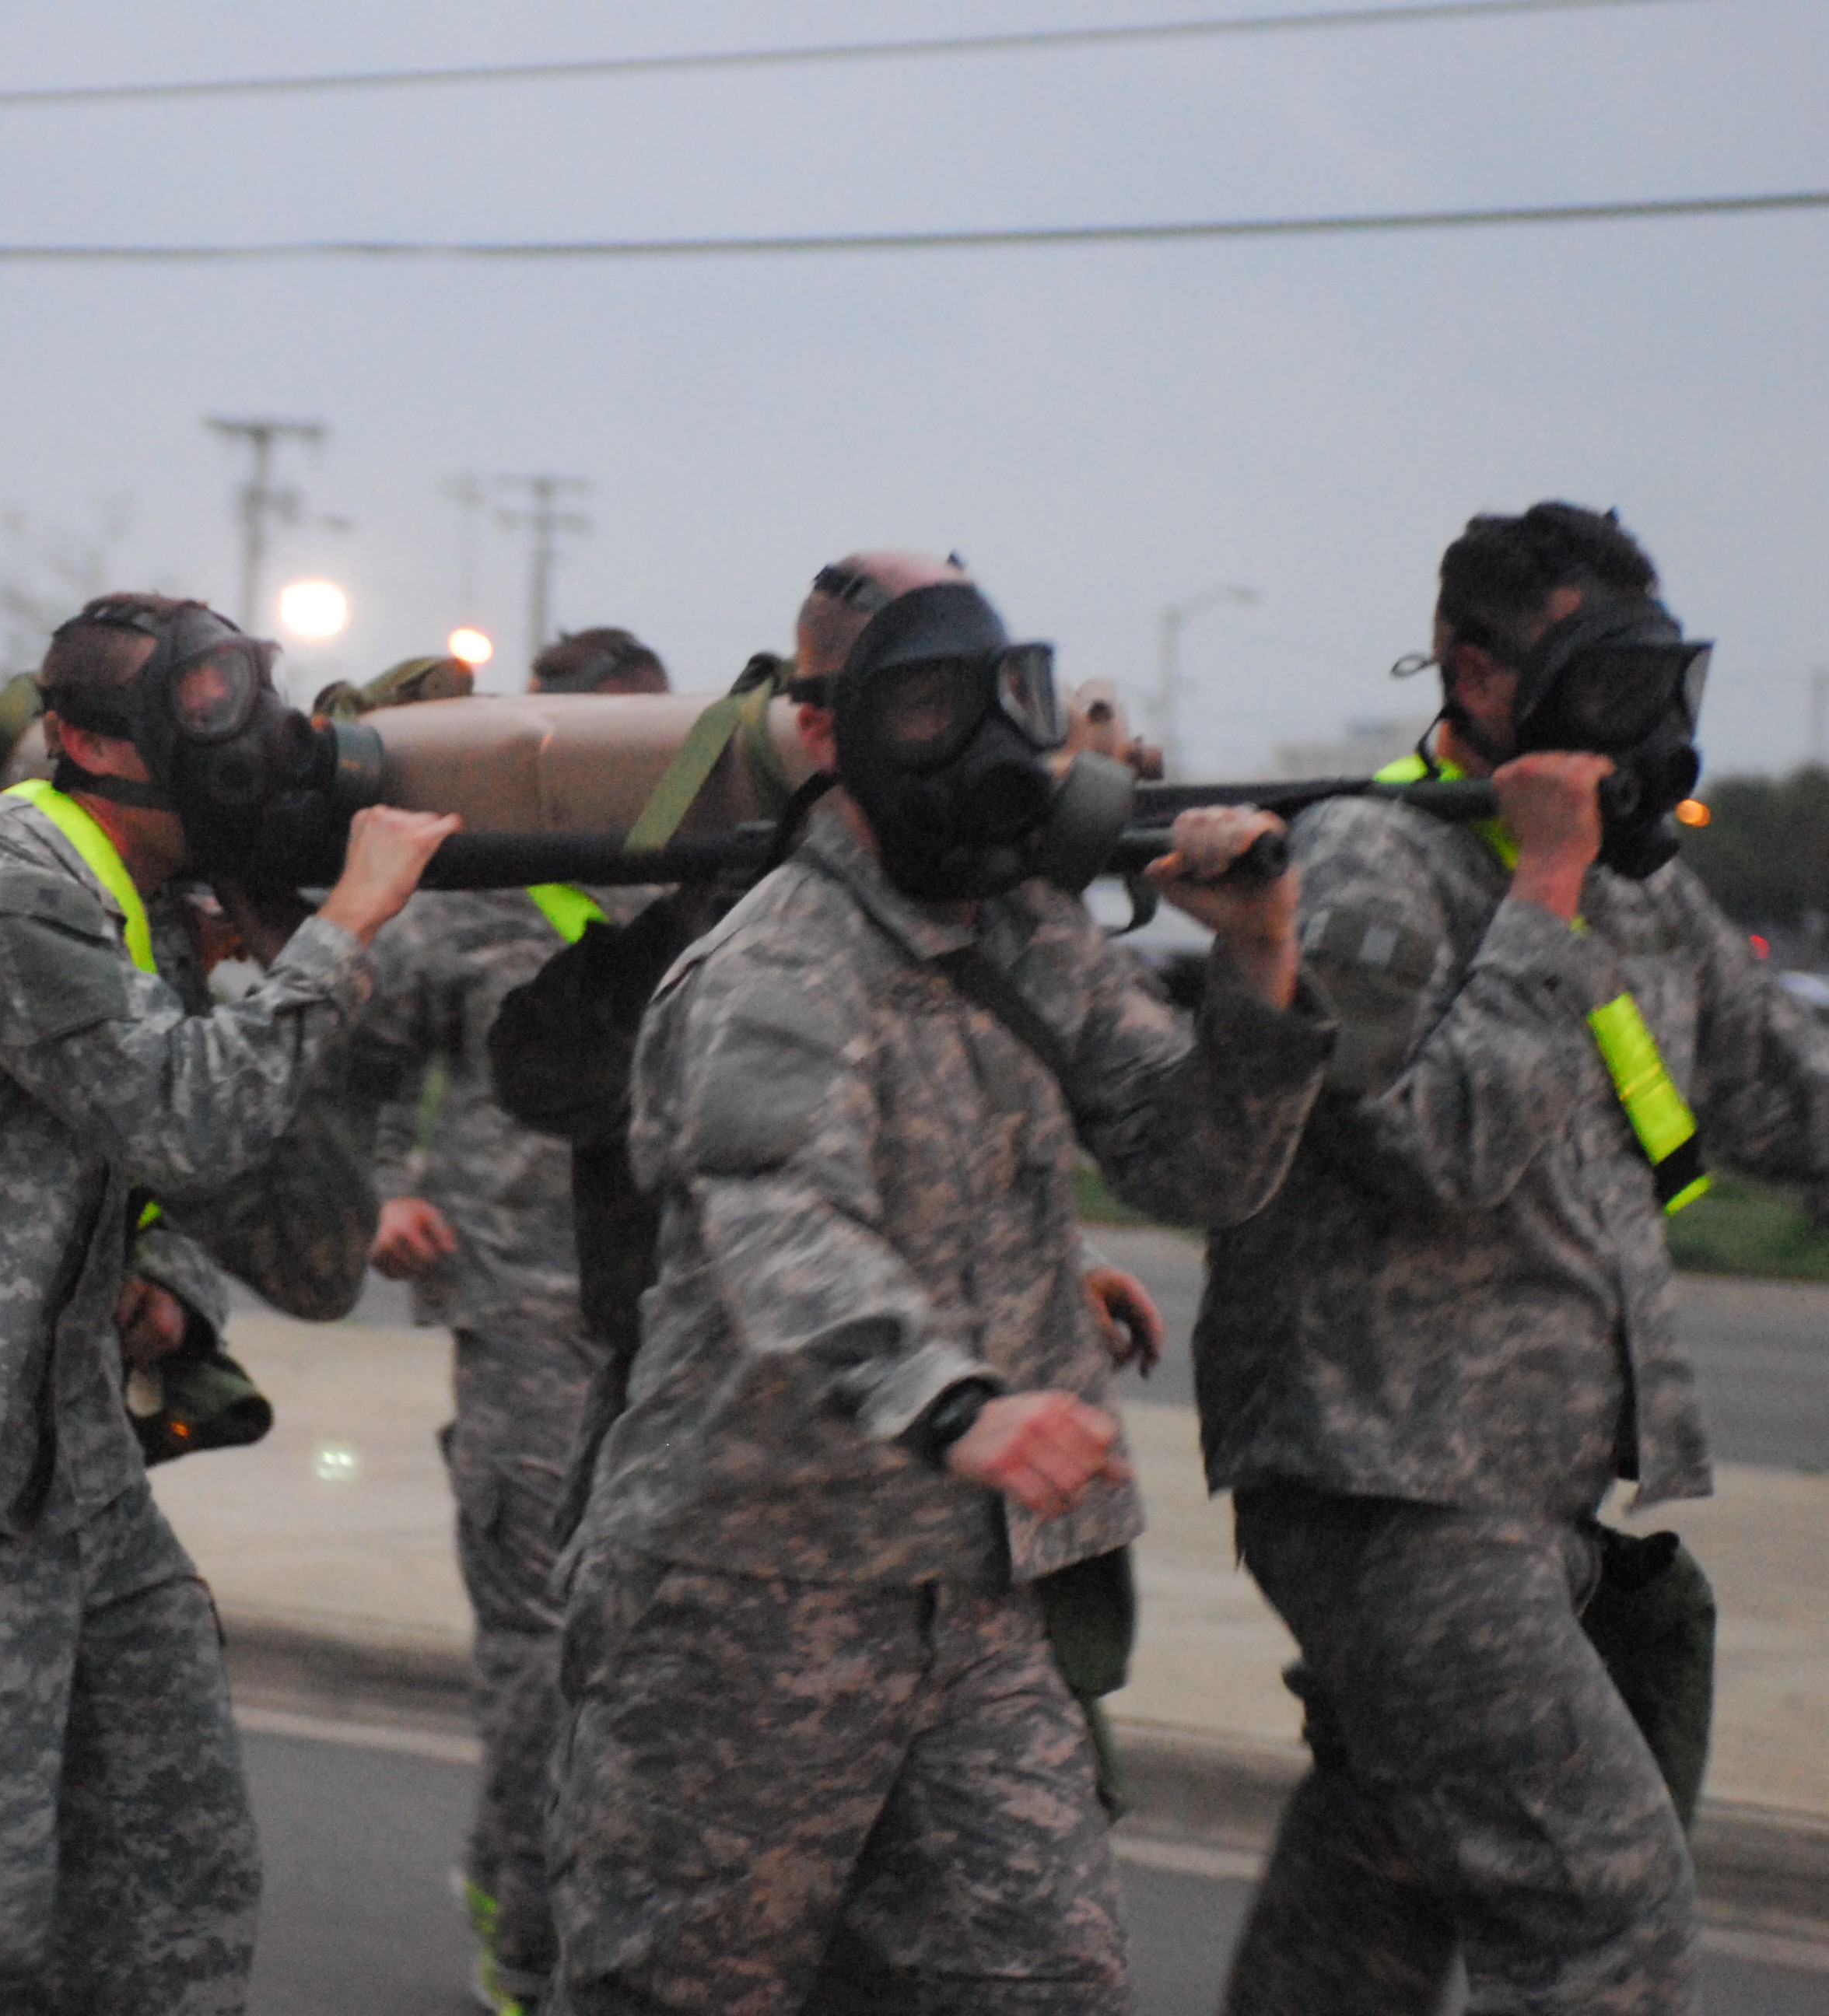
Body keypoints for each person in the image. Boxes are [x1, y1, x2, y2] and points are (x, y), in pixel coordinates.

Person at [547, 552, 1331, 2014]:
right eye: (924, 708)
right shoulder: (775, 963)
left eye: (1003, 701)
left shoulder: (1028, 933)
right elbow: (784, 1215)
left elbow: (1198, 1167)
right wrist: (957, 1403)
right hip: (748, 1596)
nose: (978, 745)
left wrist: (1260, 960)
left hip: (977, 1605)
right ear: (826, 734)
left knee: (1044, 1979)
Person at [0, 593, 455, 2013]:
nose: (233, 753)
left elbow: (306, 1252)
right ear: (73, 737)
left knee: (176, 1880)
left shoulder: (166, 915)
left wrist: (270, 946)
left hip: (67, 1462)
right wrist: (344, 932)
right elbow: (177, 1117)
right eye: (193, 718)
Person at [1197, 503, 1829, 2016]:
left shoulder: (1637, 887)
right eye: (1593, 680)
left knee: (1371, 1904)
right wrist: (1541, 891)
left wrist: (1577, 878)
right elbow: (1433, 1147)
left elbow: (1778, 1096)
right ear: (1476, 679)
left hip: (1523, 1500)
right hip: (1389, 1493)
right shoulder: (1365, 866)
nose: (1634, 721)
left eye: (1652, 682)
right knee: (1603, 1913)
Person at [348, 625, 667, 2013]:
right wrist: (374, 1201)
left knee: (657, 1654)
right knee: (543, 1655)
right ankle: (528, 1936)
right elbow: (346, 1069)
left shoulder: (702, 898)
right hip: (522, 1312)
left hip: (677, 1329)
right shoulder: (468, 900)